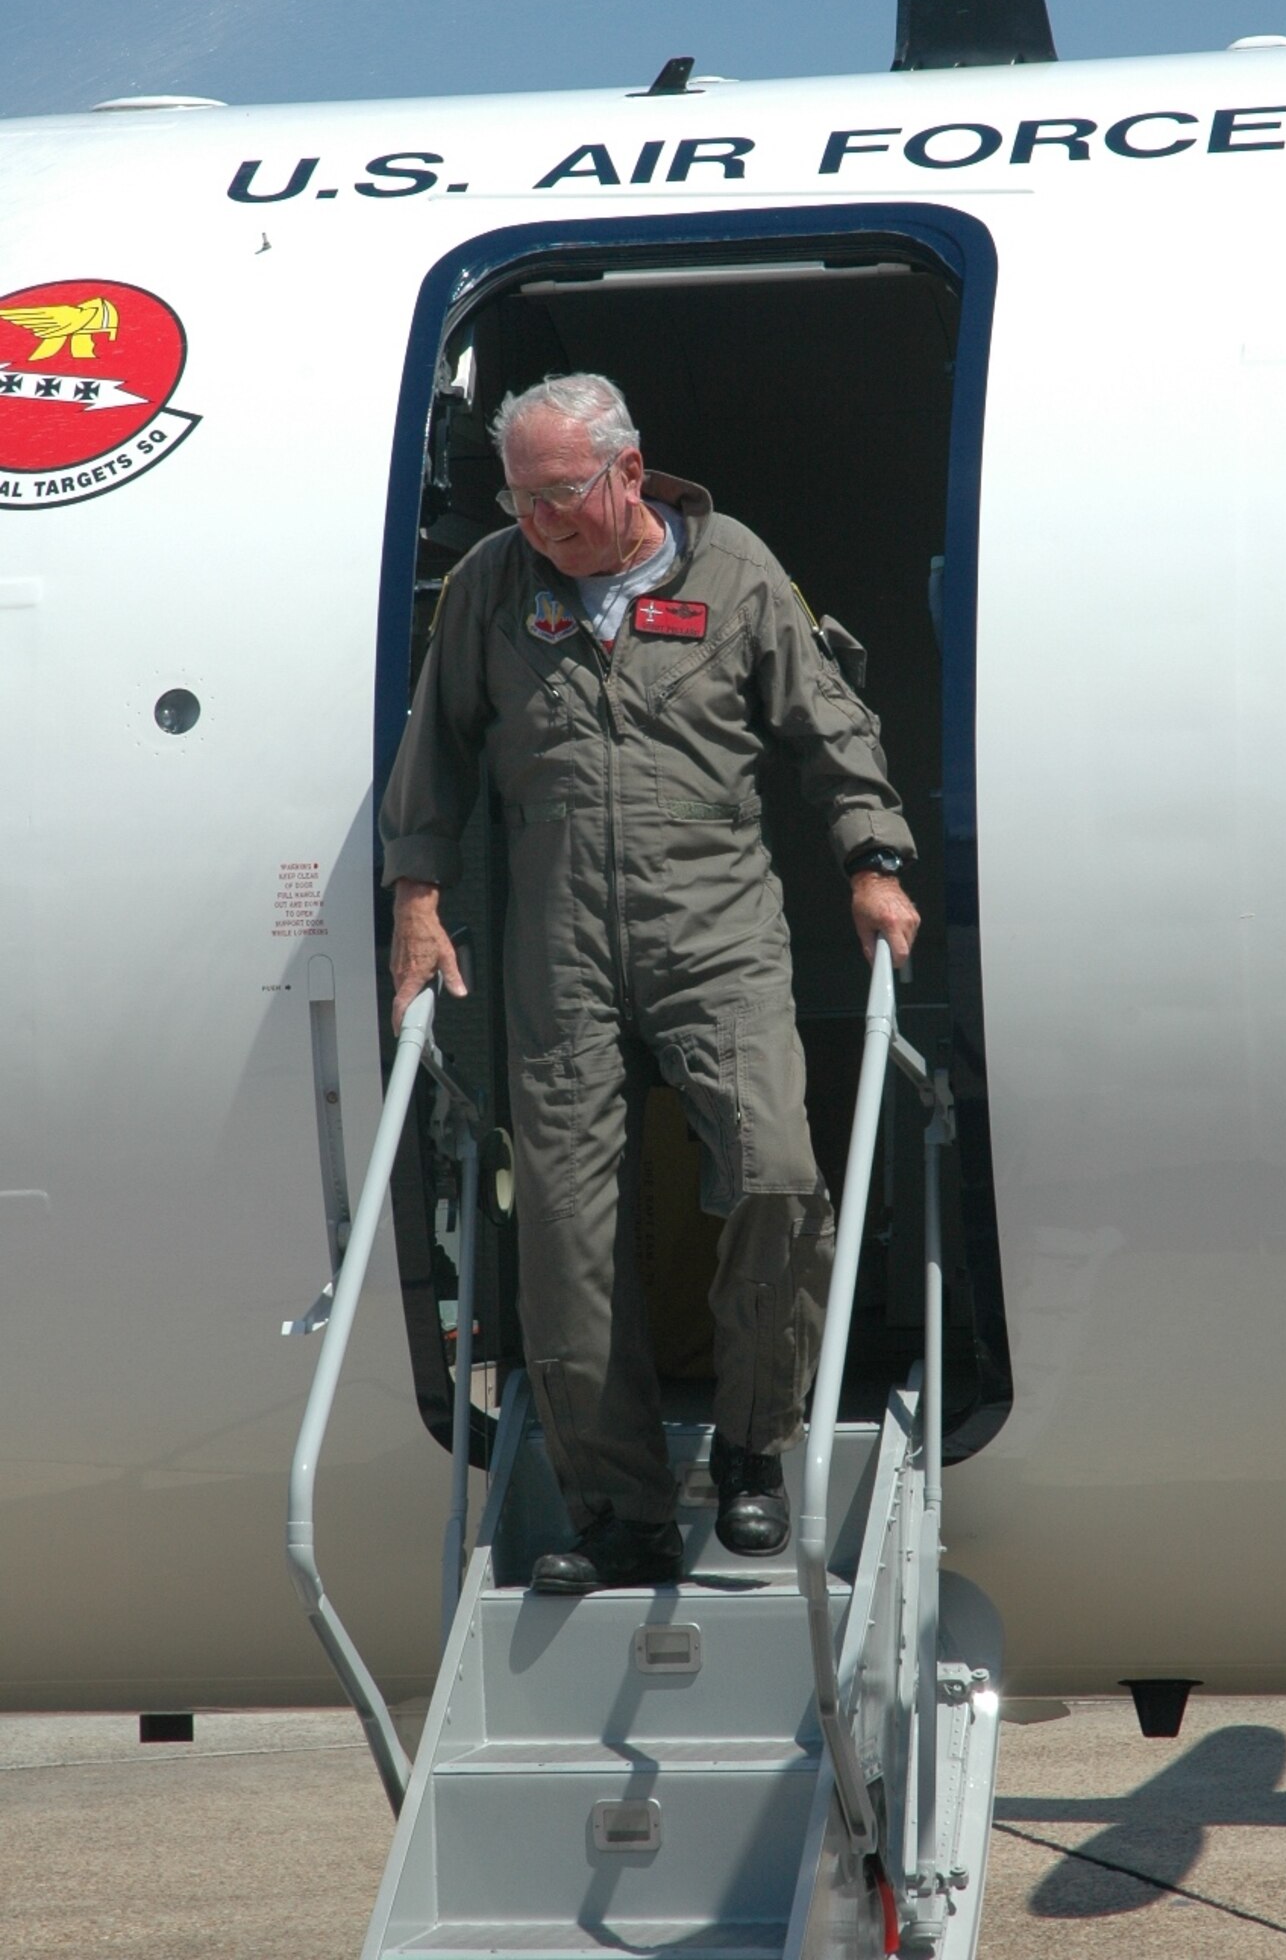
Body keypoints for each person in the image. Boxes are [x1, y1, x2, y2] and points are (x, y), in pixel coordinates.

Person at [380, 373, 918, 1595]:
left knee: (776, 1173)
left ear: (629, 470)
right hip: (558, 939)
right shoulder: (492, 588)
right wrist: (416, 902)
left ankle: (749, 1451)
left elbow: (830, 727)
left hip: (715, 922)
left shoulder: (732, 568)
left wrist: (873, 860)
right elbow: (437, 750)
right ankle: (616, 1509)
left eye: (562, 493)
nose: (542, 522)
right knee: (566, 1235)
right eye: (521, 498)